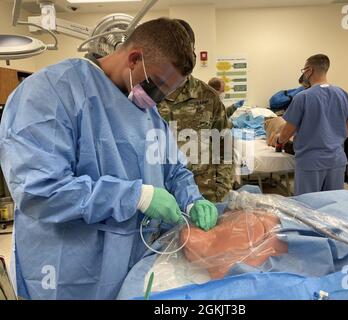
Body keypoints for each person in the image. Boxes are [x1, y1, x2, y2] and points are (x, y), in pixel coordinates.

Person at [0, 18, 219, 300]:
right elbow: (39, 190)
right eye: (157, 86)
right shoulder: (52, 92)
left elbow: (173, 168)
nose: (159, 98)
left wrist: (192, 198)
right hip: (71, 271)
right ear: (134, 58)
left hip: (133, 266)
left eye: (167, 92)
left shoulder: (148, 114)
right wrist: (135, 196)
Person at [157, 20, 233, 203]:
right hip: (158, 197)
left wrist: (220, 192)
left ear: (193, 55)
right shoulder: (144, 96)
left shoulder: (208, 97)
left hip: (203, 196)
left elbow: (225, 147)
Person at [277, 54, 348, 196]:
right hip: (336, 161)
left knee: (307, 208)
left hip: (310, 163)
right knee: (333, 206)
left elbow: (287, 131)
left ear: (309, 71)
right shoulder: (343, 94)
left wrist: (279, 140)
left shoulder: (303, 97)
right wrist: (333, 140)